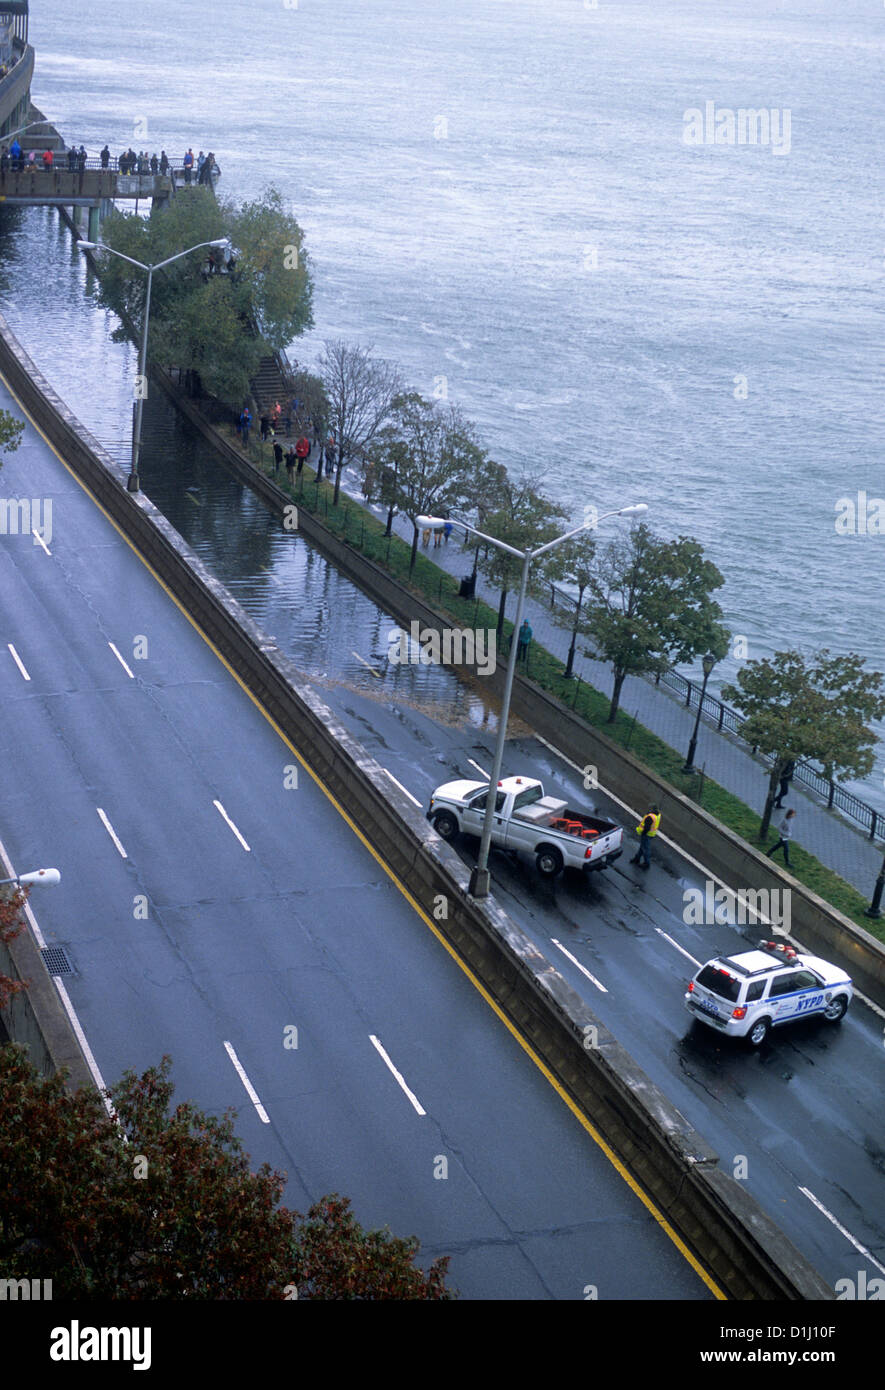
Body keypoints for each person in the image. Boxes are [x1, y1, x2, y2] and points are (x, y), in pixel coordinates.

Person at [630, 804, 662, 870]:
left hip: (646, 834)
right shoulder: (658, 815)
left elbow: (646, 828)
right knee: (642, 847)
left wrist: (643, 833)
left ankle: (646, 863)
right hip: (651, 834)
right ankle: (637, 858)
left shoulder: (650, 817)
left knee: (646, 849)